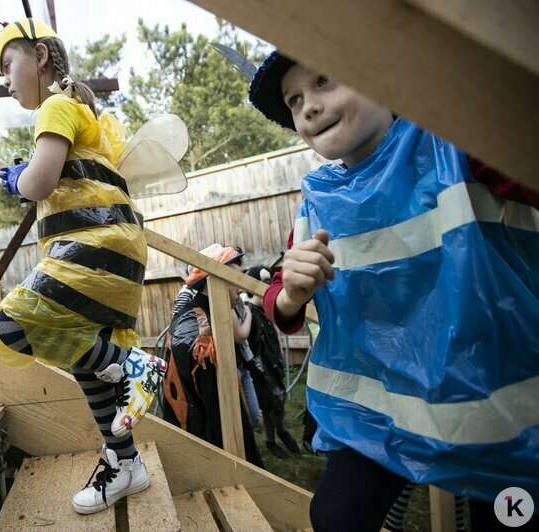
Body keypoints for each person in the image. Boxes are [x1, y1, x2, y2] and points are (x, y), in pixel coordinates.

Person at [247, 50, 539, 531]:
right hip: (378, 415)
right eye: (294, 99)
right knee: (335, 516)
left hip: (497, 415)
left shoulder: (461, 145)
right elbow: (279, 301)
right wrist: (290, 294)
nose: (309, 107)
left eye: (324, 80)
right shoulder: (317, 201)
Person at [0, 18, 167, 515]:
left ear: (40, 57)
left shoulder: (56, 105)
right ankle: (126, 463)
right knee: (79, 351)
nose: (5, 80)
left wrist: (16, 179)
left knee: (11, 325)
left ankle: (136, 366)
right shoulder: (87, 112)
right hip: (118, 253)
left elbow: (41, 182)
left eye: (8, 66)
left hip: (92, 246)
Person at [162, 245, 263, 467]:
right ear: (212, 280)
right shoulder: (200, 332)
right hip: (206, 452)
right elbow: (216, 410)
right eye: (234, 279)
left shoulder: (211, 315)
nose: (241, 289)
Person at [243, 265, 301, 459]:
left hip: (273, 365)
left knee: (278, 402)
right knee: (269, 405)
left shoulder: (266, 311)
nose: (268, 286)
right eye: (263, 282)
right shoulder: (249, 312)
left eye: (269, 281)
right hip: (260, 370)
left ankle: (282, 432)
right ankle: (270, 440)